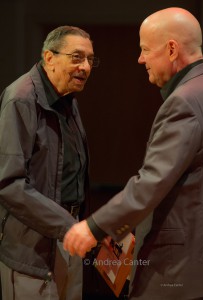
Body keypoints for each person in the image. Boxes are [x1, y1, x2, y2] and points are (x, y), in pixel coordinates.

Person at [63, 7, 203, 300]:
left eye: (145, 49)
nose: (140, 58)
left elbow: (151, 183)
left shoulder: (183, 102)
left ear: (171, 49)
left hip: (176, 273)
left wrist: (94, 227)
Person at [0, 25, 99, 300]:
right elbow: (9, 184)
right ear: (49, 57)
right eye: (77, 57)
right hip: (32, 250)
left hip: (70, 236)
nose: (86, 67)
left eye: (91, 59)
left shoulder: (68, 97)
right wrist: (69, 225)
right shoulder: (20, 99)